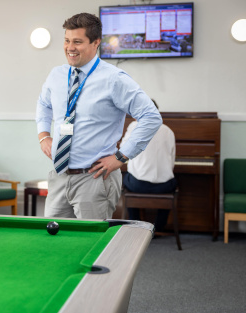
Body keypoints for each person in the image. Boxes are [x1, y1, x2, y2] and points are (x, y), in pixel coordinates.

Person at [36, 13, 162, 220]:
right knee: (54, 244)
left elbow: (151, 117)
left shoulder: (114, 79)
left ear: (96, 43)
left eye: (77, 42)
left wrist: (121, 157)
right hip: (60, 176)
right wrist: (43, 135)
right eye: (67, 41)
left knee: (91, 248)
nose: (70, 47)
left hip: (94, 179)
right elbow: (43, 103)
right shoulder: (56, 75)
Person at [121, 99, 177, 232]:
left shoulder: (135, 126)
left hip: (138, 184)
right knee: (173, 182)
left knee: (126, 179)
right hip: (163, 186)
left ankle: (136, 225)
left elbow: (124, 149)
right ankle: (159, 227)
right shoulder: (168, 130)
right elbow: (172, 160)